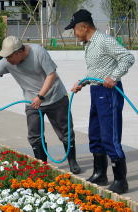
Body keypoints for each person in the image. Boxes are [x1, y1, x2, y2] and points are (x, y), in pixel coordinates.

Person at [0, 36, 81, 174]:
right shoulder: (8, 61)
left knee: (65, 131)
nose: (7, 60)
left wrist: (40, 96)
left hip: (55, 97)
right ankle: (42, 166)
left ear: (19, 52)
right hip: (31, 101)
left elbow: (51, 75)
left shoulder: (38, 52)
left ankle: (72, 161)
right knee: (34, 135)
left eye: (9, 57)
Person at [66, 9, 135, 194]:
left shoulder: (104, 41)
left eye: (74, 29)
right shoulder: (88, 44)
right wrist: (82, 82)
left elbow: (127, 57)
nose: (74, 33)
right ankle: (100, 174)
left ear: (84, 27)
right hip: (96, 92)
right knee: (95, 134)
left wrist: (114, 76)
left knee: (109, 137)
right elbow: (95, 70)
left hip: (109, 93)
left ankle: (121, 181)